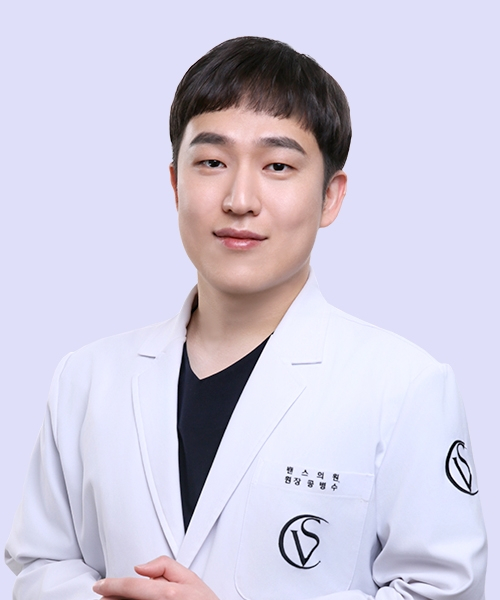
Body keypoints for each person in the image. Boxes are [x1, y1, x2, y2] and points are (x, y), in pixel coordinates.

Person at [5, 36, 487, 600]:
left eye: (278, 165)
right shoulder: (87, 377)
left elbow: (444, 590)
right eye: (212, 162)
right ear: (175, 184)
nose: (239, 199)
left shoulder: (405, 386)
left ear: (331, 197)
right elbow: (40, 563)